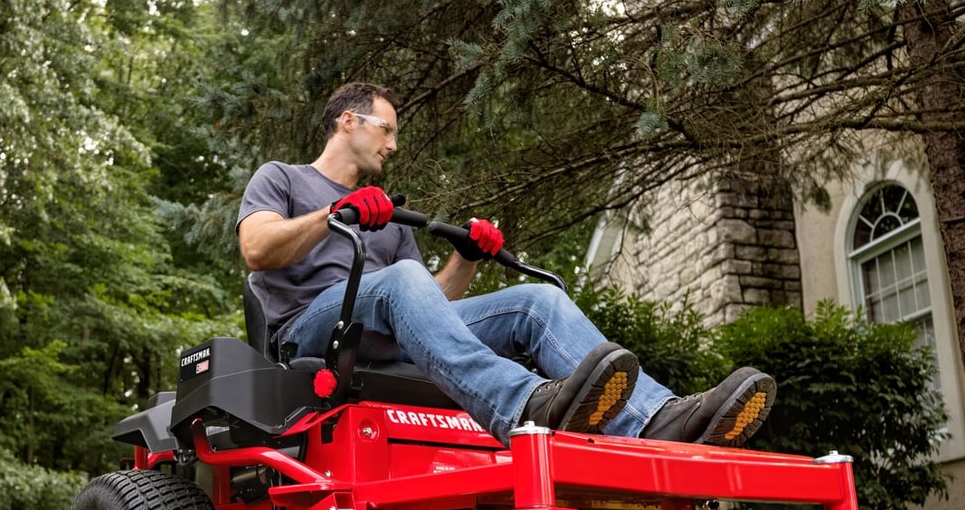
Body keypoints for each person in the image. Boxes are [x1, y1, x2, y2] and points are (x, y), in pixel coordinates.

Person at [236, 81, 776, 446]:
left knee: (536, 301)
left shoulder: (388, 216)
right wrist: (335, 214)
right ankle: (522, 406)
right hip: (311, 330)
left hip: (385, 326)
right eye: (387, 129)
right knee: (398, 278)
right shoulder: (283, 178)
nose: (393, 145)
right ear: (348, 121)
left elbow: (430, 306)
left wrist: (466, 258)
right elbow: (257, 248)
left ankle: (657, 419)